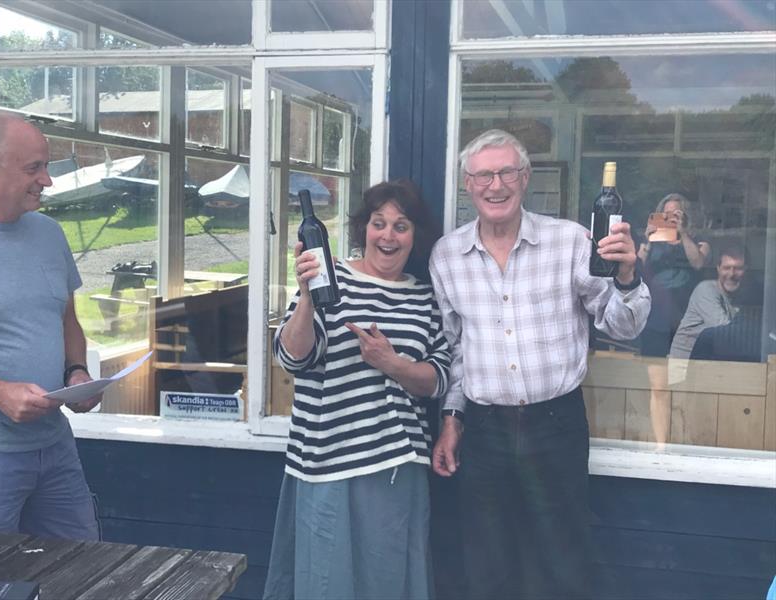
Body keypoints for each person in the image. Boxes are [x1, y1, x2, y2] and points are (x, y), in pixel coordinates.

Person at [430, 129, 650, 600]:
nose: (497, 184)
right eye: (484, 175)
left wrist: (628, 277)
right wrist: (452, 419)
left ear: (525, 178)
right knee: (487, 561)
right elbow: (457, 352)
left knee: (562, 559)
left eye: (507, 171)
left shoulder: (569, 242)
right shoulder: (447, 256)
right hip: (484, 430)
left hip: (556, 423)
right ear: (467, 184)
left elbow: (623, 325)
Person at [263, 180, 451, 600]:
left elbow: (438, 378)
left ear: (415, 235)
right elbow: (292, 359)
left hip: (395, 466)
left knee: (386, 585)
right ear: (363, 228)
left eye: (401, 226)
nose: (388, 235)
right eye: (378, 223)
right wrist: (309, 299)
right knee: (327, 587)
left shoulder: (424, 298)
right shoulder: (331, 279)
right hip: (327, 463)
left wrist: (393, 364)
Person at [0, 113, 100, 540]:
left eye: (46, 166)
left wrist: (76, 372)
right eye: (33, 168)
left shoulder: (50, 233)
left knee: (83, 567)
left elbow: (67, 318)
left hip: (55, 449)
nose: (46, 180)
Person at [636, 193, 710, 444]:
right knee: (658, 386)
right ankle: (660, 445)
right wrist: (646, 240)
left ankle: (683, 440)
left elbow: (698, 263)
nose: (670, 219)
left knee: (682, 384)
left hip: (685, 322)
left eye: (676, 214)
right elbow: (635, 268)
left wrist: (683, 233)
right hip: (656, 320)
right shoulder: (652, 243)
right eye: (666, 215)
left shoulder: (698, 242)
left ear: (685, 216)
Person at [669, 244, 747, 359]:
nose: (731, 274)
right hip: (685, 365)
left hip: (710, 362)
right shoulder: (706, 290)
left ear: (746, 270)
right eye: (726, 268)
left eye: (738, 268)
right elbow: (725, 333)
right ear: (718, 269)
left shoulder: (743, 296)